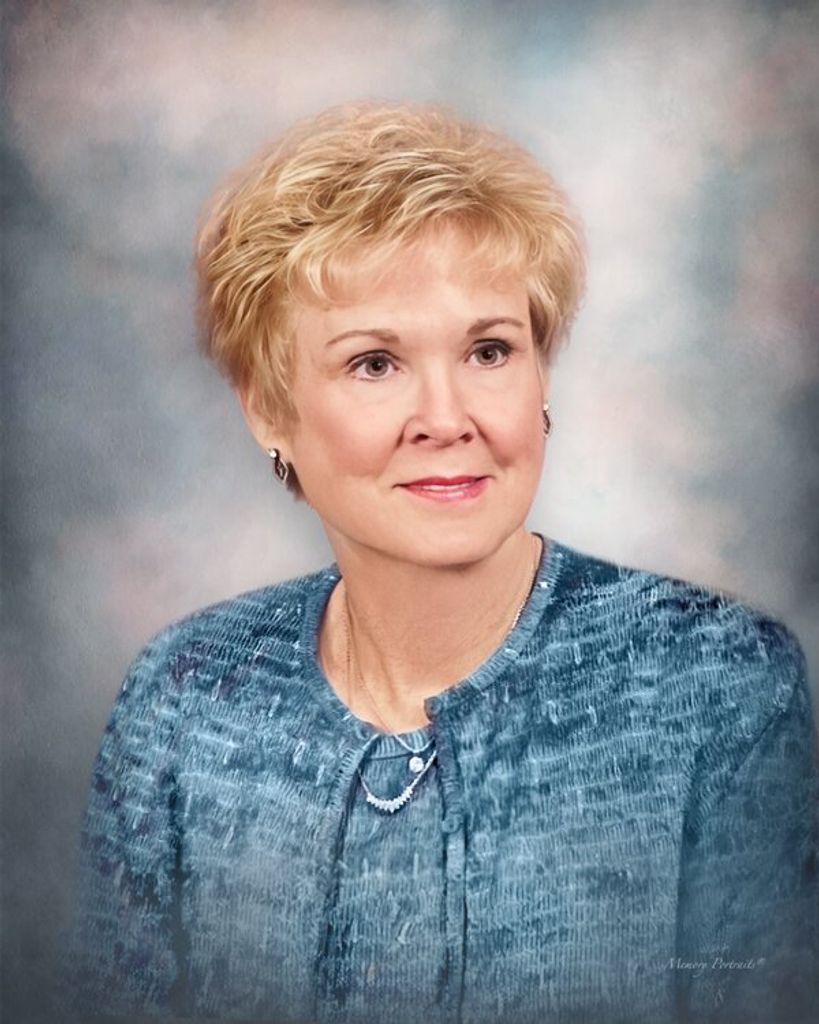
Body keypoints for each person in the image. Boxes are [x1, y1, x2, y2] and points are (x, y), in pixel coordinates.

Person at [57, 102, 817, 1024]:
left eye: (489, 351)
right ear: (268, 409)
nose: (448, 418)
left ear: (540, 379)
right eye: (374, 364)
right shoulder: (184, 699)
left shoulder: (717, 683)